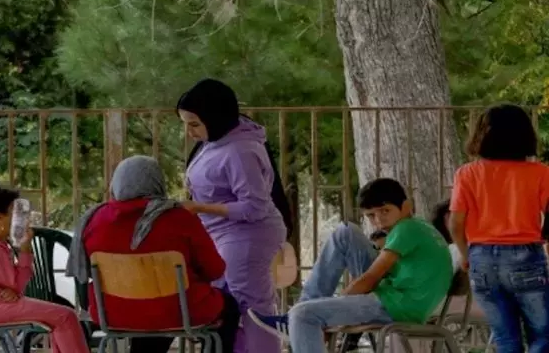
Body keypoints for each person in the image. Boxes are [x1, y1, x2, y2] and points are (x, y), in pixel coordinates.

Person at [247, 178, 453, 353]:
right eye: (371, 216)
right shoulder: (420, 227)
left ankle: (297, 317)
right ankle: (299, 314)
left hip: (396, 306)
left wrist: (331, 306)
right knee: (345, 233)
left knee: (302, 315)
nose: (379, 221)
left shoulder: (405, 229)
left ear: (406, 206)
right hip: (398, 297)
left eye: (385, 211)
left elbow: (370, 279)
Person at [66, 155, 240, 353]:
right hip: (176, 310)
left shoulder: (93, 220)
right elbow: (214, 269)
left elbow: (86, 272)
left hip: (114, 312)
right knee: (228, 306)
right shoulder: (178, 217)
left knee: (148, 313)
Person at [176, 78, 287, 353]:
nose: (189, 132)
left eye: (194, 124)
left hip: (247, 236)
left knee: (251, 309)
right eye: (186, 124)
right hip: (222, 235)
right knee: (229, 309)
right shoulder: (216, 141)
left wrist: (200, 208)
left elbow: (254, 207)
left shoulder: (241, 151)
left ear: (214, 117)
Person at [449, 103, 549, 353]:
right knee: (542, 335)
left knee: (505, 339)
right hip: (526, 255)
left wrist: (465, 253)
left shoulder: (467, 174)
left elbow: (456, 222)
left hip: (481, 258)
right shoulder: (540, 173)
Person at [0, 188, 89, 353]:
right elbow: (18, 286)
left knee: (60, 317)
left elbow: (7, 285)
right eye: (16, 213)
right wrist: (25, 248)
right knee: (66, 316)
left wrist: (5, 289)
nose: (24, 219)